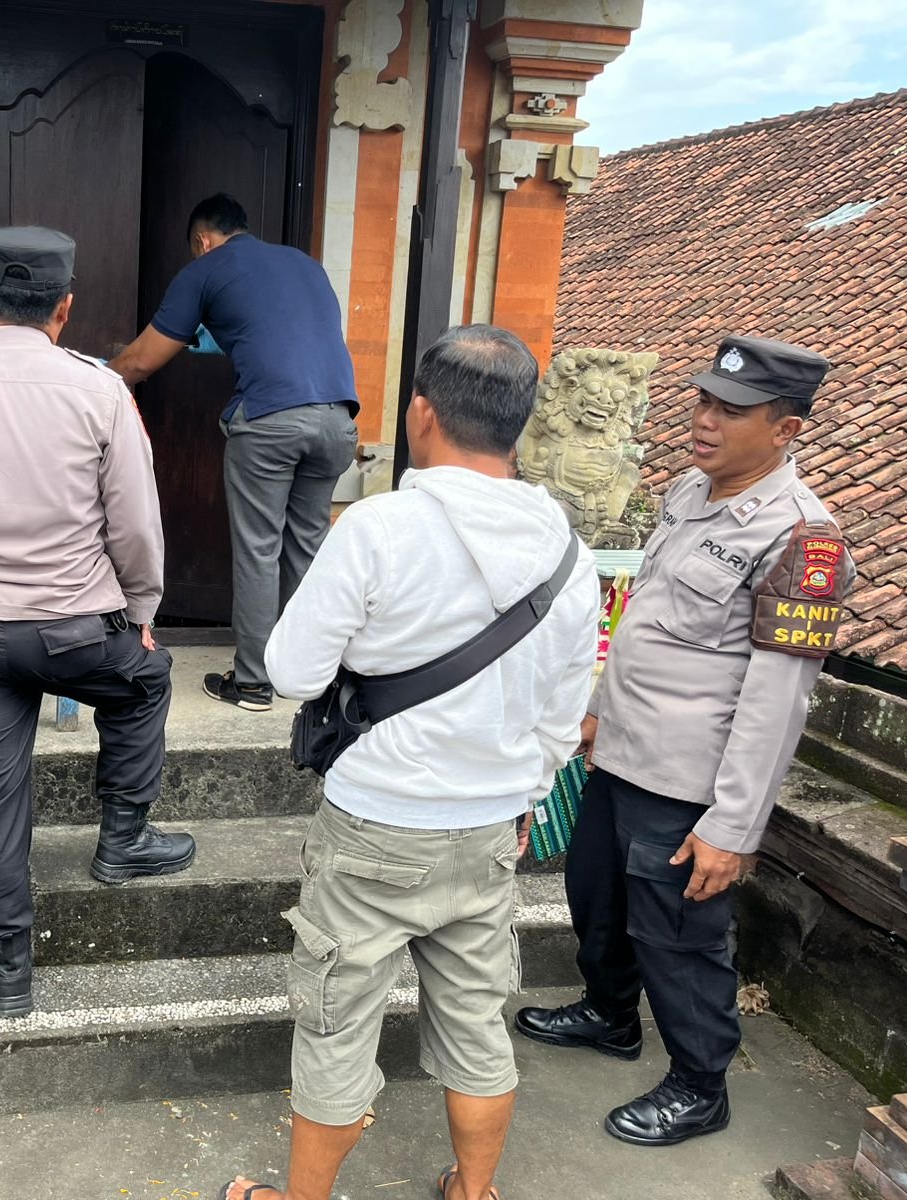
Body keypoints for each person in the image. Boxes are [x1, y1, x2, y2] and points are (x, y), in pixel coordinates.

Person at [219, 325, 600, 1200]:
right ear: (521, 422)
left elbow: (292, 672)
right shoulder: (568, 554)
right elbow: (562, 716)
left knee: (337, 1024)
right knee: (476, 1020)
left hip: (375, 826)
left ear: (421, 411)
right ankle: (473, 1190)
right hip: (490, 829)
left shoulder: (379, 527)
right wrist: (525, 797)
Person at [515, 335, 853, 1147]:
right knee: (596, 899)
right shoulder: (688, 492)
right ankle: (609, 1015)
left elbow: (777, 701)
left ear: (786, 430)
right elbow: (649, 625)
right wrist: (598, 710)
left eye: (731, 410)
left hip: (689, 783)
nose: (704, 420)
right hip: (622, 755)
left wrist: (731, 828)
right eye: (703, 400)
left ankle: (701, 1086)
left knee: (679, 939)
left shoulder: (801, 538)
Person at [0, 226, 195, 1020]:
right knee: (145, 680)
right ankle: (123, 839)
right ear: (66, 307)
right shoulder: (101, 392)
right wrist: (142, 611)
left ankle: (10, 971)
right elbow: (135, 524)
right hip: (76, 630)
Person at [109, 193, 359, 714]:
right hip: (338, 421)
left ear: (203, 241)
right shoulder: (305, 266)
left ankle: (252, 683)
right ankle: (306, 677)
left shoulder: (207, 268)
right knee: (307, 548)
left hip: (271, 421)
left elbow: (139, 362)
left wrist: (87, 386)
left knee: (258, 550)